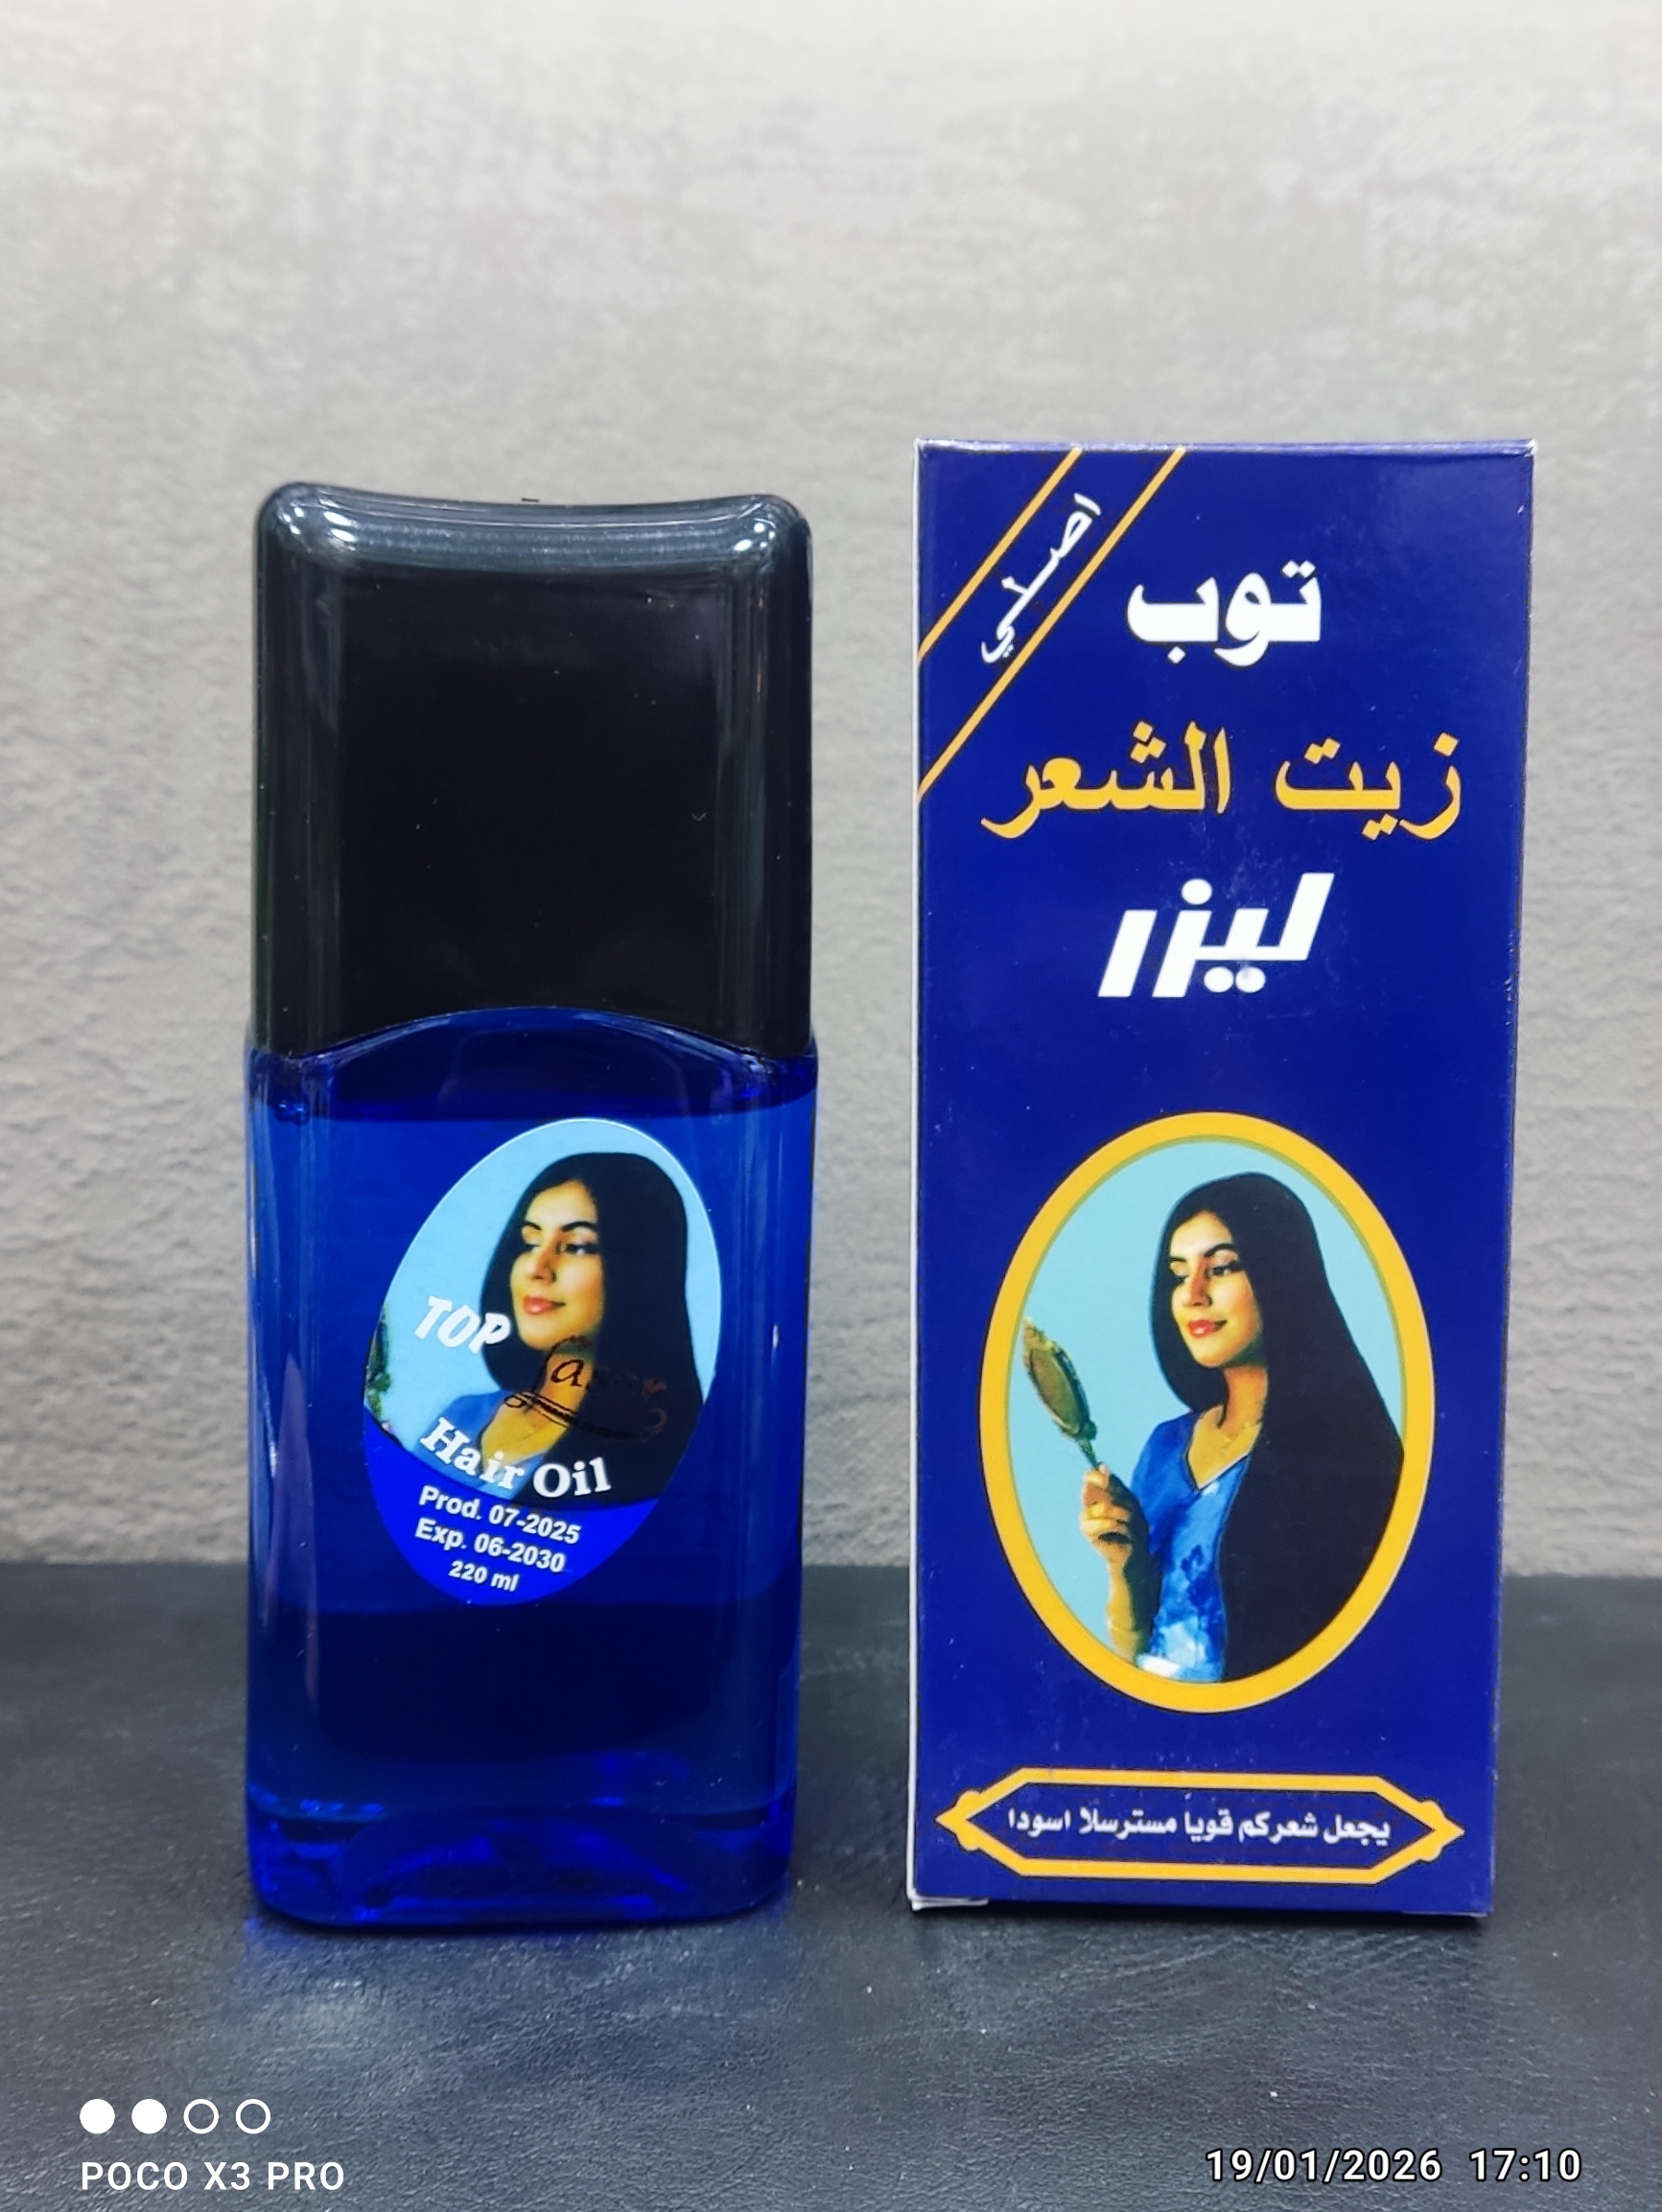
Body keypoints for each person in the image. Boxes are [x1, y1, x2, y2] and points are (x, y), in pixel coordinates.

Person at [1079, 1172, 1400, 1681]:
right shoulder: (1165, 1447)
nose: (1193, 1294)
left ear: (1281, 1276)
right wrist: (1127, 1568)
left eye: (1222, 1268)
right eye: (1179, 1274)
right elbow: (1142, 1649)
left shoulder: (1345, 1457)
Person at [436, 1151, 703, 1507]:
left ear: (639, 1271)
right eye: (530, 1243)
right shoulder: (463, 1415)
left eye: (576, 1247)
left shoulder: (661, 1452)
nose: (537, 1267)